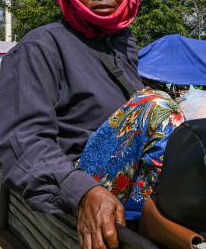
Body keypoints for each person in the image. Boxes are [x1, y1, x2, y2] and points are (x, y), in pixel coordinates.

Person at [0, 0, 150, 249]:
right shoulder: (41, 46)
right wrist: (80, 191)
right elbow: (25, 139)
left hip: (133, 184)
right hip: (82, 181)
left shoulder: (122, 45)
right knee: (157, 106)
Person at [77, 87, 185, 222]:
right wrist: (82, 187)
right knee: (159, 106)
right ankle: (138, 217)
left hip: (117, 152)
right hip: (86, 170)